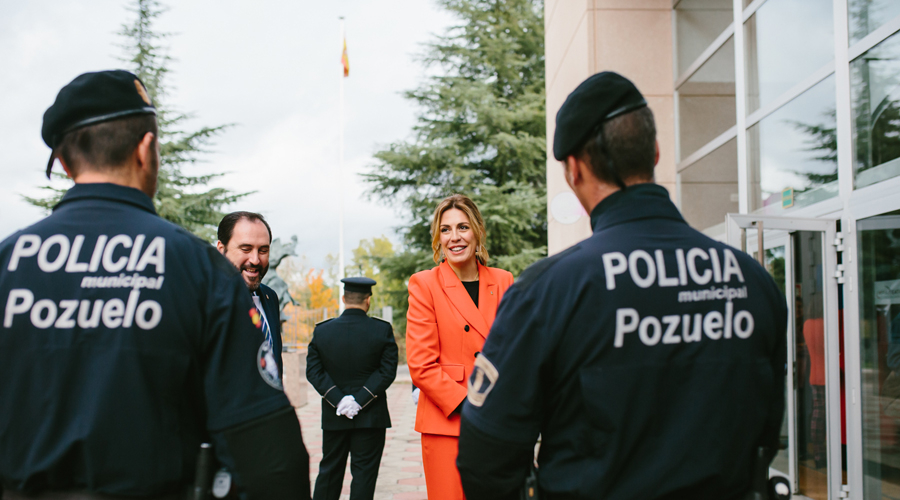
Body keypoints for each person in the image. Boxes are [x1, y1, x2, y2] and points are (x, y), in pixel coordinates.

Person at [456, 71, 788, 500]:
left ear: (573, 169)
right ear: (653, 151)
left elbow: (487, 455)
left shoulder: (549, 292)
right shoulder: (753, 280)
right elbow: (766, 428)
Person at [0, 70, 310, 500]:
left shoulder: (7, 262)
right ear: (146, 150)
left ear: (66, 162)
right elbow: (269, 455)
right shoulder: (199, 270)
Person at [406, 194, 515, 500]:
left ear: (477, 231)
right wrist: (472, 408)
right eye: (446, 229)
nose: (455, 237)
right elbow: (421, 365)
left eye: (463, 227)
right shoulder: (425, 283)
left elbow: (514, 352)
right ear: (438, 239)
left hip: (497, 422)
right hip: (449, 422)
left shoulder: (503, 280)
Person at [306, 277, 398, 500]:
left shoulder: (323, 331)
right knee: (364, 474)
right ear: (368, 301)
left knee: (329, 471)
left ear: (343, 299)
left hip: (334, 414)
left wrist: (339, 400)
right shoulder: (382, 330)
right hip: (370, 416)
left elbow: (314, 372)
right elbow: (387, 371)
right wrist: (359, 400)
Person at [217, 211, 284, 383]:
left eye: (263, 250)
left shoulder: (270, 298)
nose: (255, 260)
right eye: (245, 249)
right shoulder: (202, 301)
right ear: (221, 250)